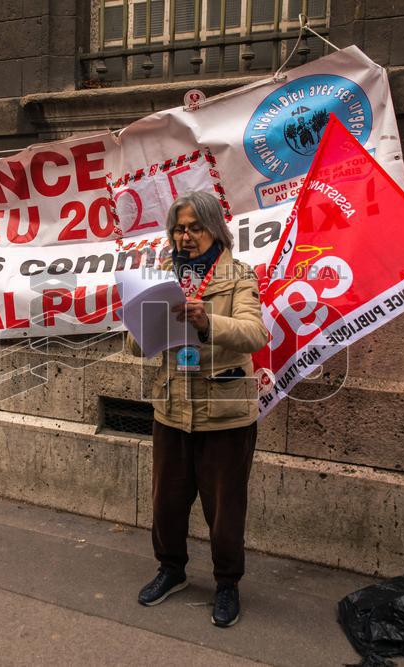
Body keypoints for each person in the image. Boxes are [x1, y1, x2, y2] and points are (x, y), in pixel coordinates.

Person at [124, 190, 268, 628]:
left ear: (213, 229)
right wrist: (140, 322)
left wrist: (207, 320)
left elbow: (255, 333)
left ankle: (227, 585)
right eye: (178, 229)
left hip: (224, 410)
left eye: (194, 228)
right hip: (171, 406)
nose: (184, 236)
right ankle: (171, 570)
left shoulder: (239, 274)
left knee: (224, 509)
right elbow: (135, 345)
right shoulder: (162, 274)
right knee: (166, 501)